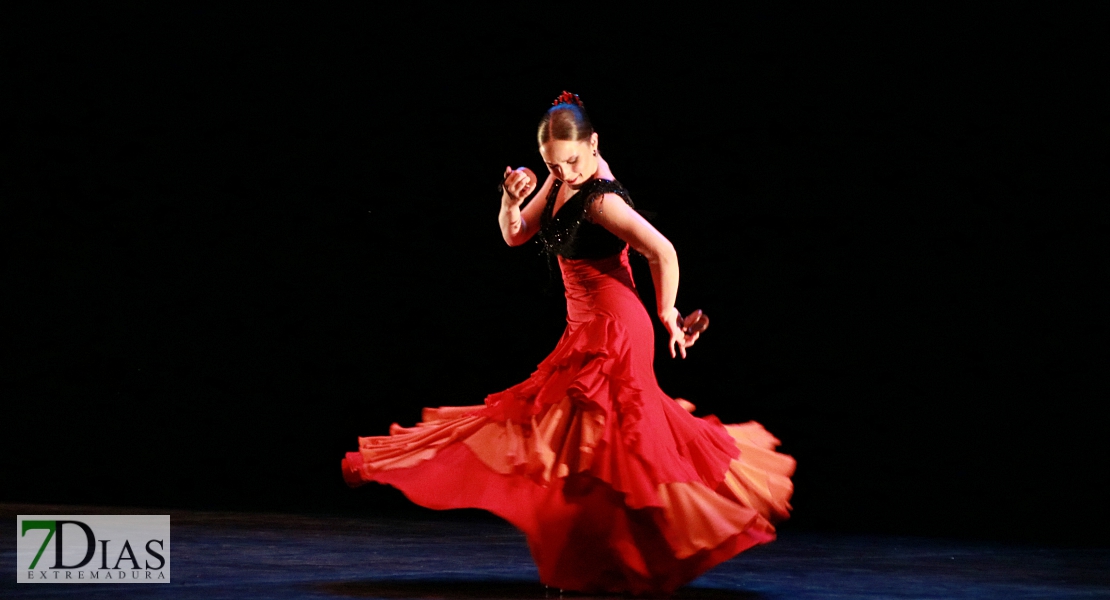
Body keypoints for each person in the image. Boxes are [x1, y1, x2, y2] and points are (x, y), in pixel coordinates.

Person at [342, 91, 795, 595]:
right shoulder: (561, 180)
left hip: (615, 332)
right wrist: (510, 201)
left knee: (601, 450)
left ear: (594, 144)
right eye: (554, 165)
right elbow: (516, 236)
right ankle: (605, 564)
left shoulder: (601, 198)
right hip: (584, 327)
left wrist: (667, 311)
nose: (565, 172)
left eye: (573, 161)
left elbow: (661, 250)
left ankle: (611, 563)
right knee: (587, 450)